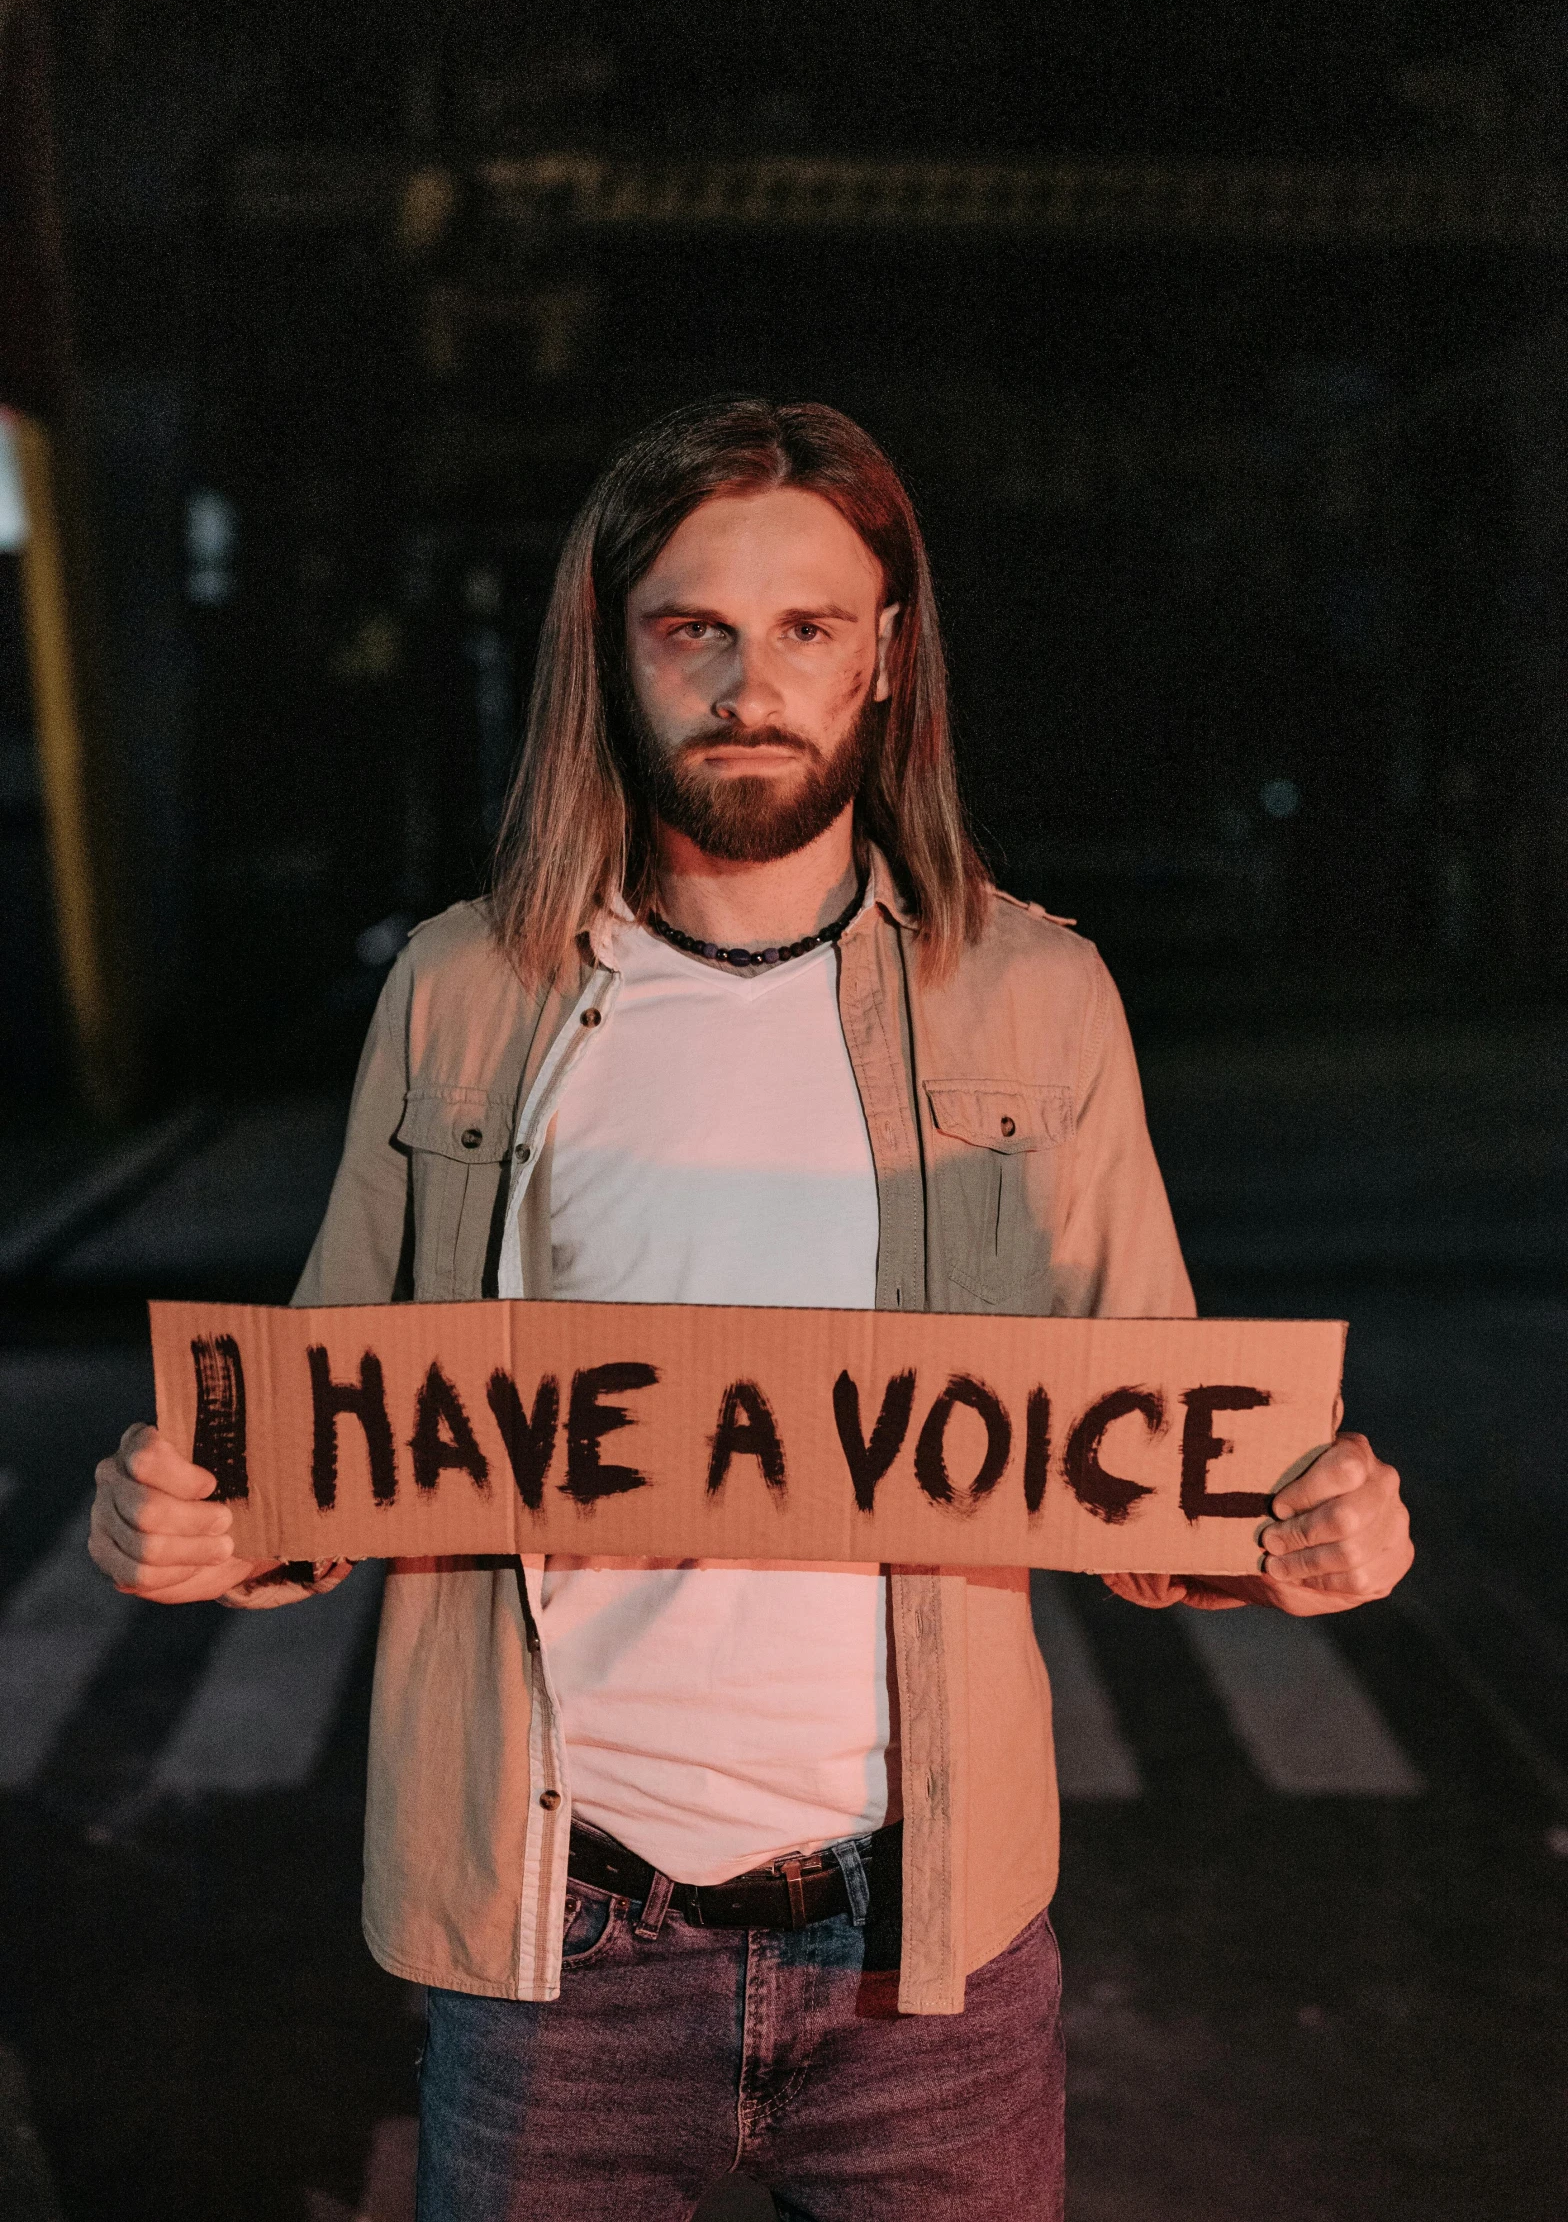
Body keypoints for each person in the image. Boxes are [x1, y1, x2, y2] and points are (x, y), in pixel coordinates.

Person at [88, 399, 1414, 2221]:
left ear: (884, 655)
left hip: (925, 1947)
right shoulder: (469, 995)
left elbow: (1163, 1451)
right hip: (553, 1936)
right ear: (611, 653)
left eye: (806, 627)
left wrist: (1309, 1531)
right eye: (690, 627)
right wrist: (185, 1514)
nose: (747, 679)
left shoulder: (1036, 1000)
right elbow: (321, 1434)